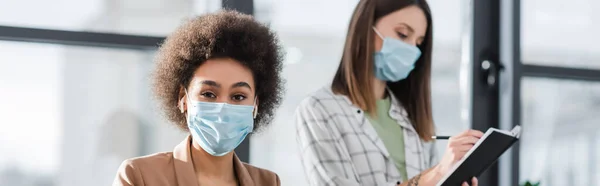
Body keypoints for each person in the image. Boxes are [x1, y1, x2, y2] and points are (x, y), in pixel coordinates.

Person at [295, 0, 482, 185]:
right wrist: (437, 173)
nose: (411, 50)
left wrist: (447, 177)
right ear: (367, 26)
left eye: (418, 43)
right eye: (402, 34)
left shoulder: (413, 114)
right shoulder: (318, 110)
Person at [113, 10, 284, 186]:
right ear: (183, 99)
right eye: (209, 94)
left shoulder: (267, 182)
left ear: (256, 104)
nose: (222, 108)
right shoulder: (140, 175)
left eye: (238, 96)